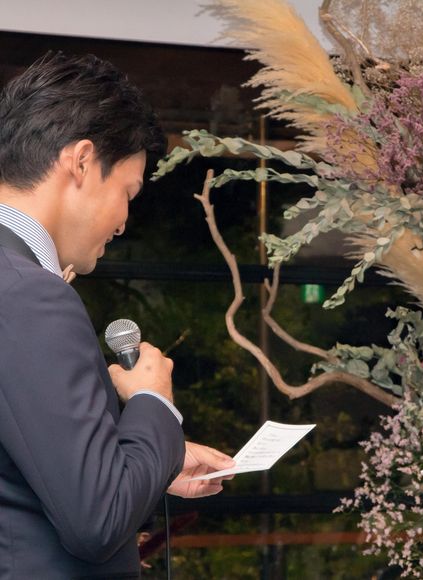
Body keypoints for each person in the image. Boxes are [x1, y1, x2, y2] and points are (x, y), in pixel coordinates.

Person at [0, 52, 234, 579]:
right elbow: (97, 521)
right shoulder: (30, 296)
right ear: (82, 161)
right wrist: (152, 401)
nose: (125, 221)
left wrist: (156, 460)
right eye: (127, 192)